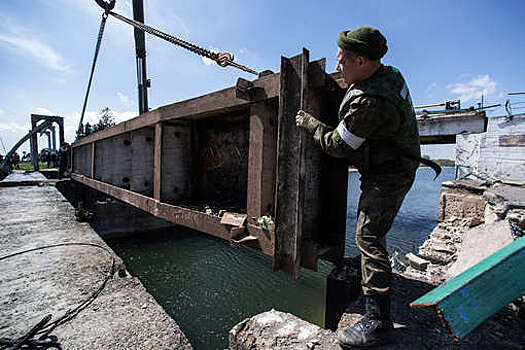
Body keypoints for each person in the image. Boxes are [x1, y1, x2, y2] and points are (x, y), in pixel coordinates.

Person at [296, 27, 422, 347]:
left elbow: (338, 145)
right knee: (370, 235)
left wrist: (311, 123)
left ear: (362, 61)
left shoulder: (369, 102)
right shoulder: (387, 73)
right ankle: (373, 290)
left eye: (342, 62)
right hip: (389, 164)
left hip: (389, 174)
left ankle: (377, 322)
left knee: (367, 235)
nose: (338, 67)